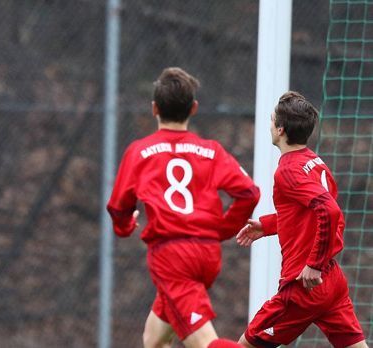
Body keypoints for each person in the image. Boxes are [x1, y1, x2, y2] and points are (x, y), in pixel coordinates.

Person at [107, 67, 260, 348]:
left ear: (154, 109)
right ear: (193, 108)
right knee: (153, 340)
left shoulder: (140, 151)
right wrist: (221, 230)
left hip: (172, 257)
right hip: (207, 255)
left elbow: (118, 207)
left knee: (204, 343)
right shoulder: (211, 150)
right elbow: (248, 193)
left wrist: (125, 226)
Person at [236, 91, 367, 348]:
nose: (270, 125)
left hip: (303, 287)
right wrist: (269, 225)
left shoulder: (288, 171)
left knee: (244, 345)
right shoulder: (315, 162)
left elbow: (329, 211)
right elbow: (311, 212)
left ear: (281, 129)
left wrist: (314, 264)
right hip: (331, 281)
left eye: (272, 120)